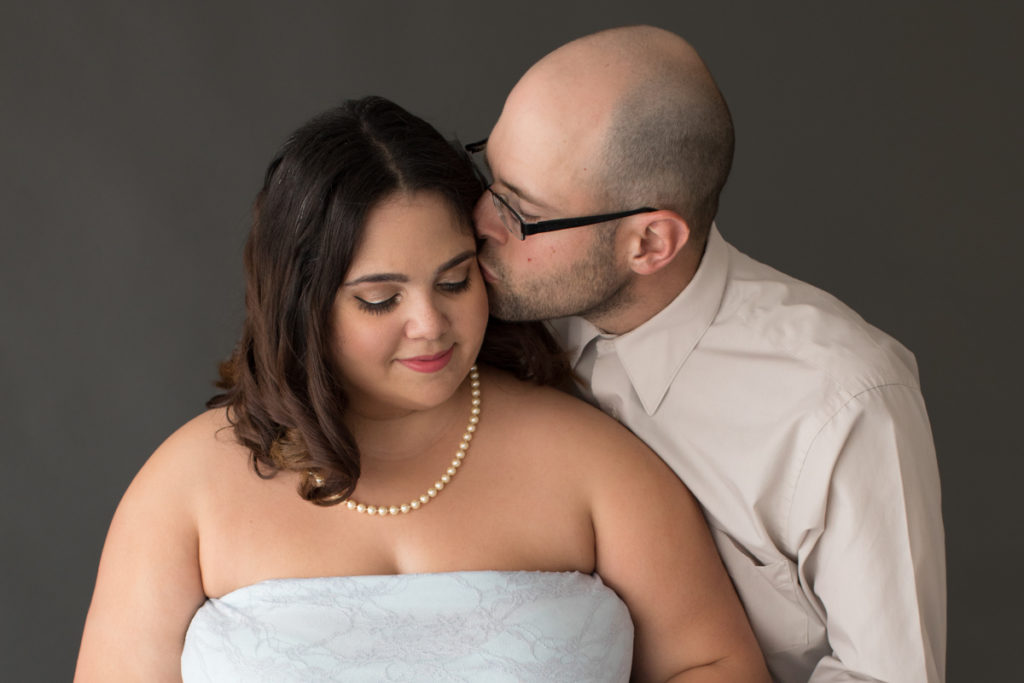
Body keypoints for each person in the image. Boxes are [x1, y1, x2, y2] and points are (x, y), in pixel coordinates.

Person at [74, 96, 768, 682]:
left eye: (454, 280)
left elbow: (714, 662)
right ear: (303, 304)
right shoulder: (185, 490)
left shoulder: (594, 462)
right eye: (380, 298)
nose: (430, 325)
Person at [470, 25, 945, 682]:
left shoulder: (842, 403)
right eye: (489, 177)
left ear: (649, 244)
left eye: (519, 212)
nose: (479, 223)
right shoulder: (480, 325)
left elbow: (887, 675)